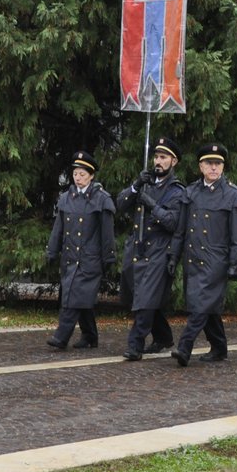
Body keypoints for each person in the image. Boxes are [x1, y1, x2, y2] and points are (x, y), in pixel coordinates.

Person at [170, 143, 237, 366]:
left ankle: (185, 347)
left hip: (216, 260)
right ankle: (219, 347)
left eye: (218, 163)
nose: (214, 168)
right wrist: (173, 257)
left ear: (223, 167)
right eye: (209, 163)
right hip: (193, 259)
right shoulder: (191, 192)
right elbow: (181, 229)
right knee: (206, 305)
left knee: (200, 304)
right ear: (200, 166)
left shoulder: (233, 195)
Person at [116, 136, 187, 360]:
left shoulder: (177, 191)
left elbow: (174, 223)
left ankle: (135, 346)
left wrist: (152, 205)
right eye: (156, 156)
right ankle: (164, 336)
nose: (158, 161)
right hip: (137, 248)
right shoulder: (144, 183)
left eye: (163, 157)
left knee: (145, 300)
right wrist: (136, 186)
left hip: (159, 250)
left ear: (173, 162)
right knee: (136, 297)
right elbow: (120, 205)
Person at [44, 150, 116, 350]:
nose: (78, 178)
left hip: (90, 258)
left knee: (74, 296)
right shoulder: (66, 198)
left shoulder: (101, 199)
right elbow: (58, 228)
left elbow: (107, 233)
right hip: (70, 257)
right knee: (78, 296)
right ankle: (90, 336)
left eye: (82, 174)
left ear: (91, 176)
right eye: (75, 174)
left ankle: (61, 336)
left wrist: (109, 256)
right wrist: (52, 251)